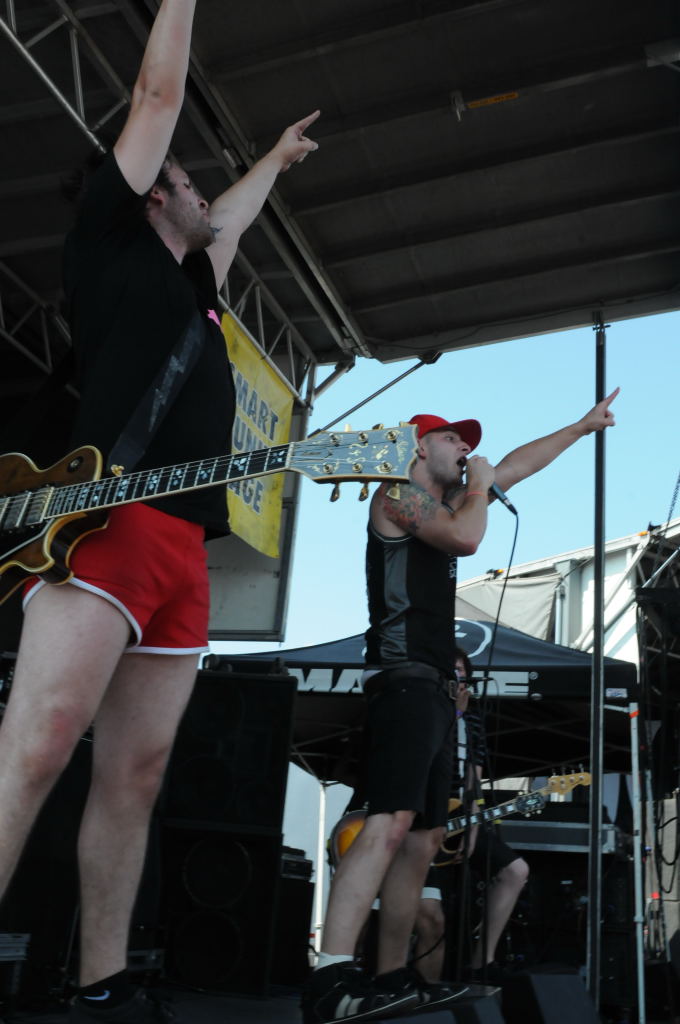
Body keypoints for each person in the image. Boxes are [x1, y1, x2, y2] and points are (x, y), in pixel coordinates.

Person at [0, 3, 319, 1021]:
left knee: (134, 774)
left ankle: (101, 983)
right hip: (104, 527)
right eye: (185, 180)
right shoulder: (108, 240)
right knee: (42, 745)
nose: (200, 194)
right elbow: (155, 94)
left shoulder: (195, 290)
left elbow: (235, 220)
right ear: (147, 194)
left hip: (182, 547)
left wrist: (274, 160)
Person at [302, 392, 618, 1024]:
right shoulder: (396, 496)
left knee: (422, 839)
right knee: (388, 823)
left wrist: (581, 427)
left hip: (438, 691)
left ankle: (391, 975)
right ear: (418, 447)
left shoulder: (450, 500)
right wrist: (478, 485)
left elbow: (519, 464)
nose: (467, 448)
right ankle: (330, 975)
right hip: (403, 679)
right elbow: (467, 539)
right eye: (452, 438)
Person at [414, 647, 529, 985]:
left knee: (515, 870)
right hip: (422, 820)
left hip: (459, 818)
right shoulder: (424, 711)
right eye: (452, 668)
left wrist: (474, 828)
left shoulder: (473, 721)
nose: (459, 674)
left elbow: (473, 783)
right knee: (430, 913)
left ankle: (482, 960)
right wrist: (453, 714)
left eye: (462, 669)